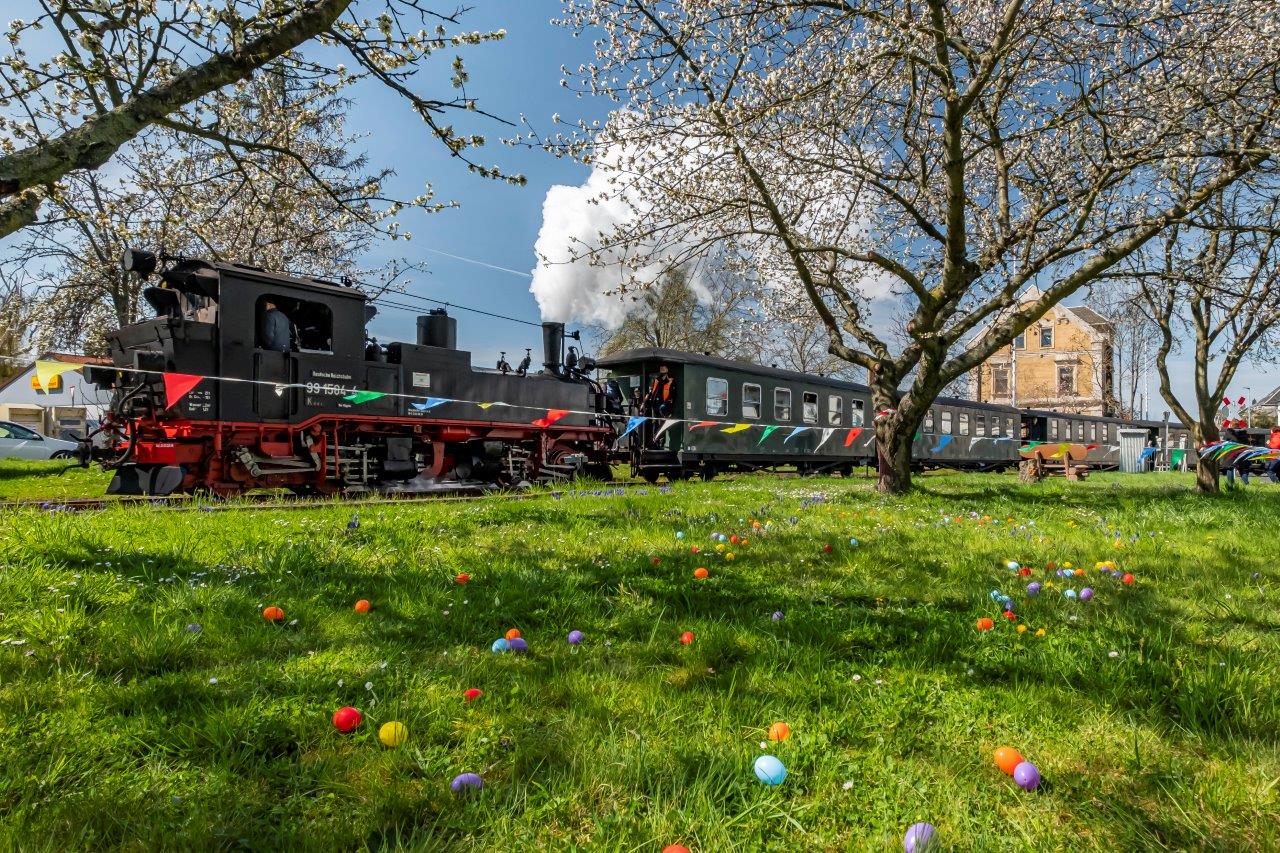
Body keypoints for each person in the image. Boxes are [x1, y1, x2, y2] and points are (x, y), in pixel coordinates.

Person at [641, 365, 677, 448]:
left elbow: (673, 395)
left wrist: (670, 407)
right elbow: (651, 392)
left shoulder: (671, 381)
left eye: (664, 371)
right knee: (654, 423)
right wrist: (645, 402)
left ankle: (659, 440)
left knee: (661, 423)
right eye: (662, 371)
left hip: (664, 405)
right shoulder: (656, 380)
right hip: (655, 405)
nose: (663, 373)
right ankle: (655, 441)